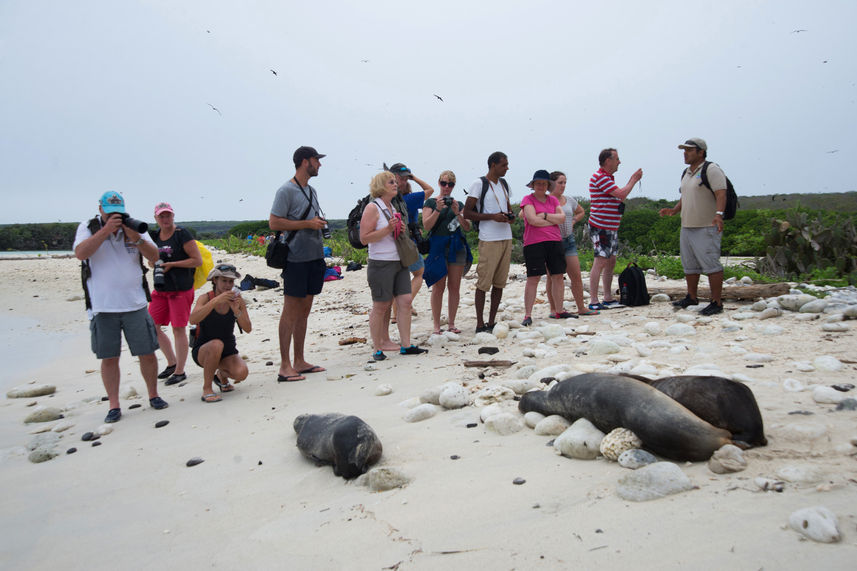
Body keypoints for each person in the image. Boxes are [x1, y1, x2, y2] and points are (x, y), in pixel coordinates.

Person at [73, 191, 168, 423]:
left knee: (147, 352)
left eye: (119, 212)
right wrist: (106, 231)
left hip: (134, 303)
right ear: (101, 210)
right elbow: (80, 253)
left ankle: (153, 394)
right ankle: (114, 405)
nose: (115, 215)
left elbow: (155, 256)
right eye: (110, 211)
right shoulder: (88, 227)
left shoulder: (133, 227)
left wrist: (134, 237)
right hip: (103, 307)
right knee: (109, 357)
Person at [269, 146, 329, 383]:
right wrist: (306, 224)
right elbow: (274, 222)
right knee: (290, 311)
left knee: (305, 310)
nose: (320, 164)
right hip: (294, 258)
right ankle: (285, 366)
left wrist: (317, 224)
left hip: (314, 255)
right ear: (306, 161)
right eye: (317, 160)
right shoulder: (286, 190)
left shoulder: (312, 190)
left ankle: (300, 360)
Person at [360, 171, 428, 360]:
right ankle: (377, 349)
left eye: (395, 182)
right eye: (391, 182)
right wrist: (388, 229)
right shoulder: (372, 208)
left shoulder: (391, 206)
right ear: (381, 185)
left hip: (399, 261)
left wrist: (399, 229)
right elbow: (364, 238)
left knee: (405, 302)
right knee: (380, 306)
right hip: (380, 263)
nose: (395, 184)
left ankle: (406, 345)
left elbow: (390, 234)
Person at [658, 138, 727, 316]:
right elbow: (686, 195)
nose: (685, 153)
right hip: (687, 225)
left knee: (711, 263)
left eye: (689, 150)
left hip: (706, 225)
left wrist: (719, 215)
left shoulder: (711, 169)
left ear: (700, 152)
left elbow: (721, 193)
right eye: (684, 150)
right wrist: (674, 210)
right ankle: (692, 296)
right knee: (689, 265)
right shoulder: (687, 173)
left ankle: (716, 302)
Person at [148, 202, 202, 386]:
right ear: (155, 218)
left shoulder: (182, 234)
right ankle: (172, 363)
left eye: (168, 215)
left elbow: (196, 261)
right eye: (161, 216)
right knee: (152, 326)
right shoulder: (154, 236)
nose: (165, 219)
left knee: (178, 328)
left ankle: (180, 370)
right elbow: (150, 260)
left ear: (173, 216)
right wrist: (156, 264)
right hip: (161, 289)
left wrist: (172, 264)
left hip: (181, 288)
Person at [463, 151, 514, 333]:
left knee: (500, 282)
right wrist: (492, 217)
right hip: (489, 239)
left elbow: (507, 208)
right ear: (493, 165)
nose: (507, 168)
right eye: (504, 165)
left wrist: (509, 217)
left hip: (505, 237)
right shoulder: (479, 184)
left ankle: (491, 322)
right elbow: (467, 212)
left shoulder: (504, 184)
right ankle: (479, 323)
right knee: (484, 282)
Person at [587, 148, 643, 310]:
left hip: (611, 227)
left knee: (611, 261)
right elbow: (621, 194)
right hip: (600, 227)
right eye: (617, 159)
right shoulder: (600, 177)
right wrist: (633, 179)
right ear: (607, 161)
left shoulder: (607, 178)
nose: (619, 162)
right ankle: (593, 300)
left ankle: (608, 297)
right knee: (600, 261)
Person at [189, 264, 252, 402]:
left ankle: (221, 376)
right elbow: (193, 319)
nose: (227, 285)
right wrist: (216, 301)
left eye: (231, 281)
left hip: (228, 349)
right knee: (216, 345)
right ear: (215, 280)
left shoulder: (237, 299)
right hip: (204, 349)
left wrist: (236, 310)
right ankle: (207, 388)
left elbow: (247, 328)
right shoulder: (205, 298)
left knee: (242, 373)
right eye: (224, 281)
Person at [422, 170, 472, 334]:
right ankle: (437, 325)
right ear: (439, 183)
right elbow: (427, 226)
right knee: (438, 286)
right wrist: (437, 209)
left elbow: (467, 227)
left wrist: (458, 212)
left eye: (450, 184)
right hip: (438, 246)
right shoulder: (430, 203)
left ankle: (451, 323)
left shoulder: (459, 204)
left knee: (454, 287)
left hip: (456, 245)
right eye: (444, 183)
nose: (447, 187)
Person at [520, 170, 568, 325]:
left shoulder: (553, 201)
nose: (541, 186)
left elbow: (562, 218)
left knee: (558, 276)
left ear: (548, 185)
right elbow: (532, 220)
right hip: (534, 243)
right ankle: (527, 314)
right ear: (533, 185)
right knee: (533, 278)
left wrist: (545, 216)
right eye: (538, 183)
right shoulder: (527, 199)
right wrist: (552, 221)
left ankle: (559, 311)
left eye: (544, 183)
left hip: (554, 241)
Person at [388, 162, 434, 323]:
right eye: (404, 178)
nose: (406, 181)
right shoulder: (410, 199)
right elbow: (430, 190)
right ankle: (404, 305)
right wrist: (414, 178)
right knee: (419, 273)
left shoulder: (387, 199)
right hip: (407, 243)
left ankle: (395, 314)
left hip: (391, 242)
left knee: (398, 278)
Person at [547, 171, 596, 316]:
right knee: (553, 277)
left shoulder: (569, 199)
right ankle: (554, 309)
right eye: (560, 182)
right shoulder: (546, 200)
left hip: (569, 240)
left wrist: (574, 220)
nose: (563, 185)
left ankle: (581, 307)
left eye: (564, 182)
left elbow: (581, 211)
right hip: (552, 241)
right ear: (552, 184)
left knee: (576, 275)